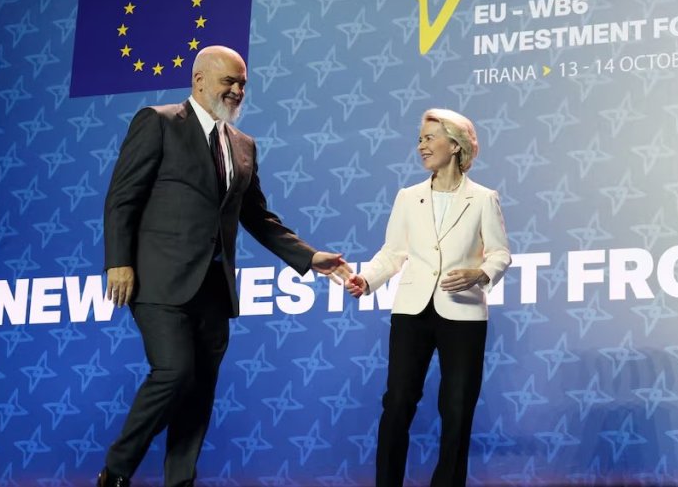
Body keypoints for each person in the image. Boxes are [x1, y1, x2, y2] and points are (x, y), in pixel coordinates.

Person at [99, 45, 350, 487]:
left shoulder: (243, 145)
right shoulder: (158, 122)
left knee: (199, 392)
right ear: (199, 80)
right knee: (174, 372)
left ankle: (180, 482)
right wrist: (118, 262)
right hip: (160, 282)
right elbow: (123, 197)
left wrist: (309, 257)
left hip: (215, 289)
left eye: (242, 84)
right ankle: (116, 472)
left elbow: (257, 217)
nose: (236, 90)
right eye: (228, 81)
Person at [345, 108, 511, 487]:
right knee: (397, 401)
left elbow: (500, 253)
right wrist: (366, 279)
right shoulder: (408, 197)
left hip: (464, 314)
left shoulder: (483, 199)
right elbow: (393, 252)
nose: (421, 145)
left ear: (455, 145)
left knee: (457, 408)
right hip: (412, 311)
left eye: (429, 138)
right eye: (419, 139)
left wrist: (480, 273)